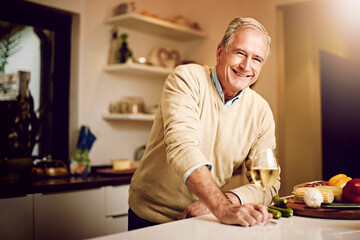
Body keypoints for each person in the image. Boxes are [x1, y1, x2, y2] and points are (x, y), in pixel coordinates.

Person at [128, 17, 280, 230]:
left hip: (206, 220)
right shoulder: (186, 79)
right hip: (152, 219)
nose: (247, 66)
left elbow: (269, 185)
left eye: (257, 59)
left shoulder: (261, 111)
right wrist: (222, 207)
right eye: (240, 53)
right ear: (220, 52)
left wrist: (224, 202)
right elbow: (183, 147)